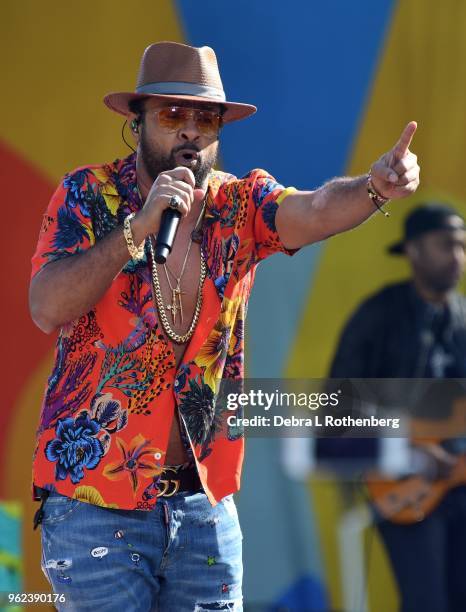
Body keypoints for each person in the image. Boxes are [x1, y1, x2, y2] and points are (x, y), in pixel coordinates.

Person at [29, 41, 419, 610]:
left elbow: (313, 209)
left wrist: (373, 187)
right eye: (172, 116)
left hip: (202, 507)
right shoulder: (87, 196)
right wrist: (137, 229)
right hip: (95, 507)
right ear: (137, 123)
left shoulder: (240, 204)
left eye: (205, 118)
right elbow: (47, 306)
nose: (190, 131)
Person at [329, 203, 466, 612]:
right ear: (413, 251)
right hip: (402, 479)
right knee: (428, 602)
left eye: (462, 245)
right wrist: (407, 443)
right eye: (446, 245)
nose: (457, 256)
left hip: (459, 480)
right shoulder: (378, 315)